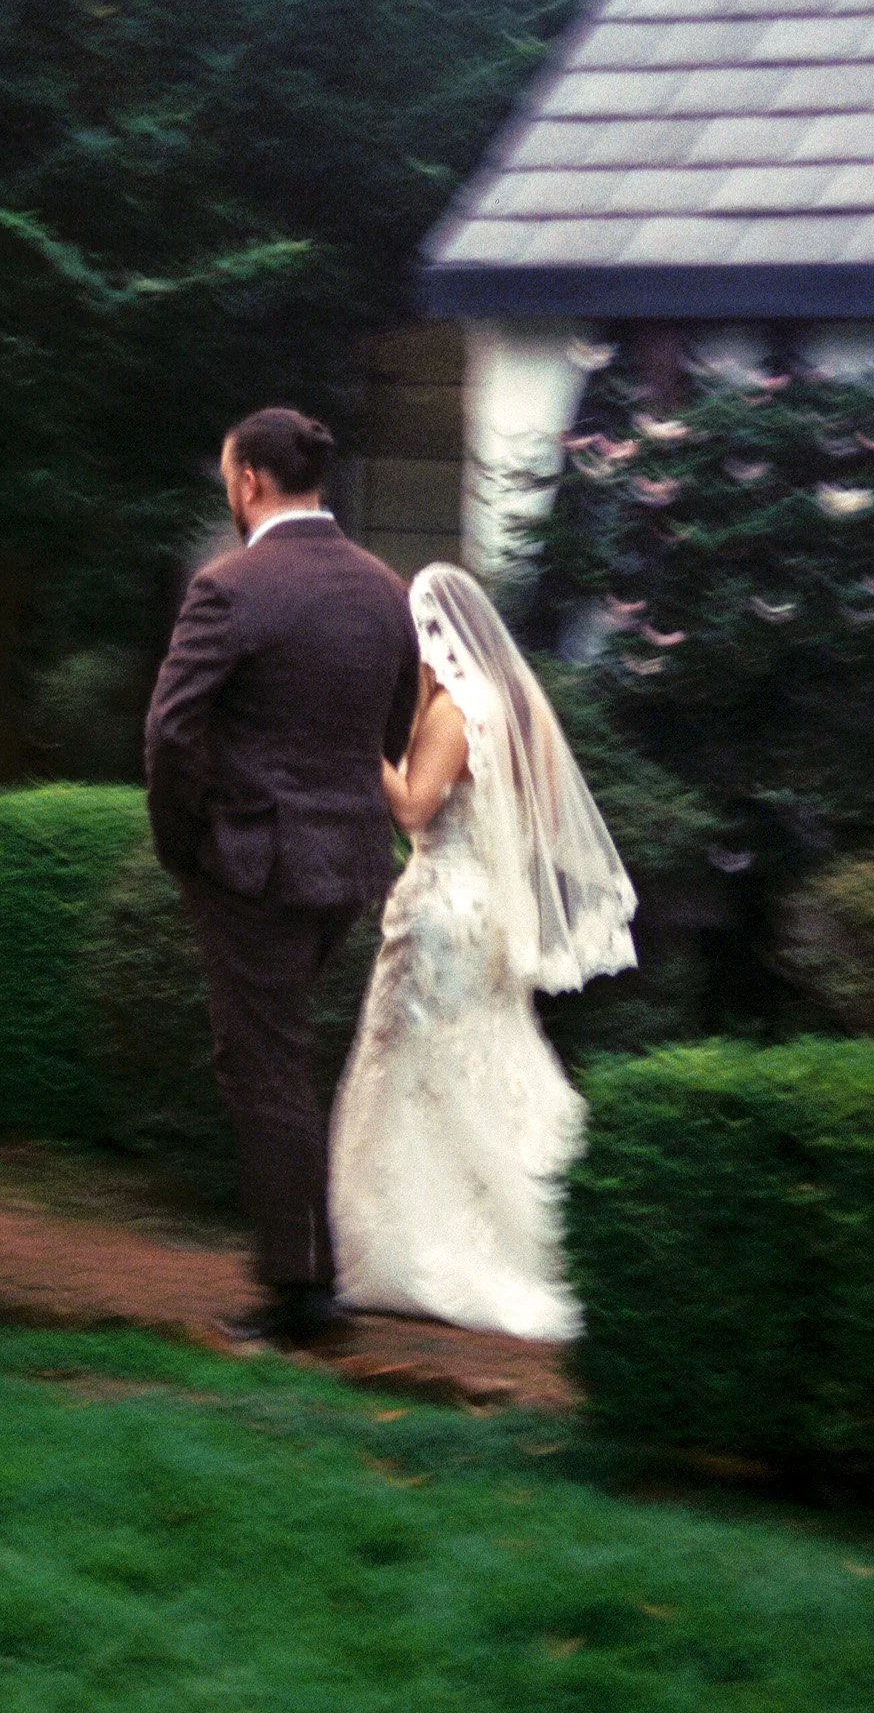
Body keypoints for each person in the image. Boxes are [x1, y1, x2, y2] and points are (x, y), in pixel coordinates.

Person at [145, 406, 420, 1346]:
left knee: (263, 1066)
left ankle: (302, 1296)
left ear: (249, 481)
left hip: (252, 864)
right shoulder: (385, 588)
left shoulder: (230, 586)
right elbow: (392, 726)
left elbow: (170, 731)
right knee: (280, 1058)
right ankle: (308, 1277)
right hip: (346, 863)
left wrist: (184, 844)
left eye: (228, 477)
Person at [329, 562, 637, 1341]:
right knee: (487, 1062)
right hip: (485, 910)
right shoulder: (507, 709)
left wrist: (360, 738)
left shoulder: (455, 712)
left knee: (419, 1072)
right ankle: (555, 1225)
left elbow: (410, 809)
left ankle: (429, 1252)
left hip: (444, 910)